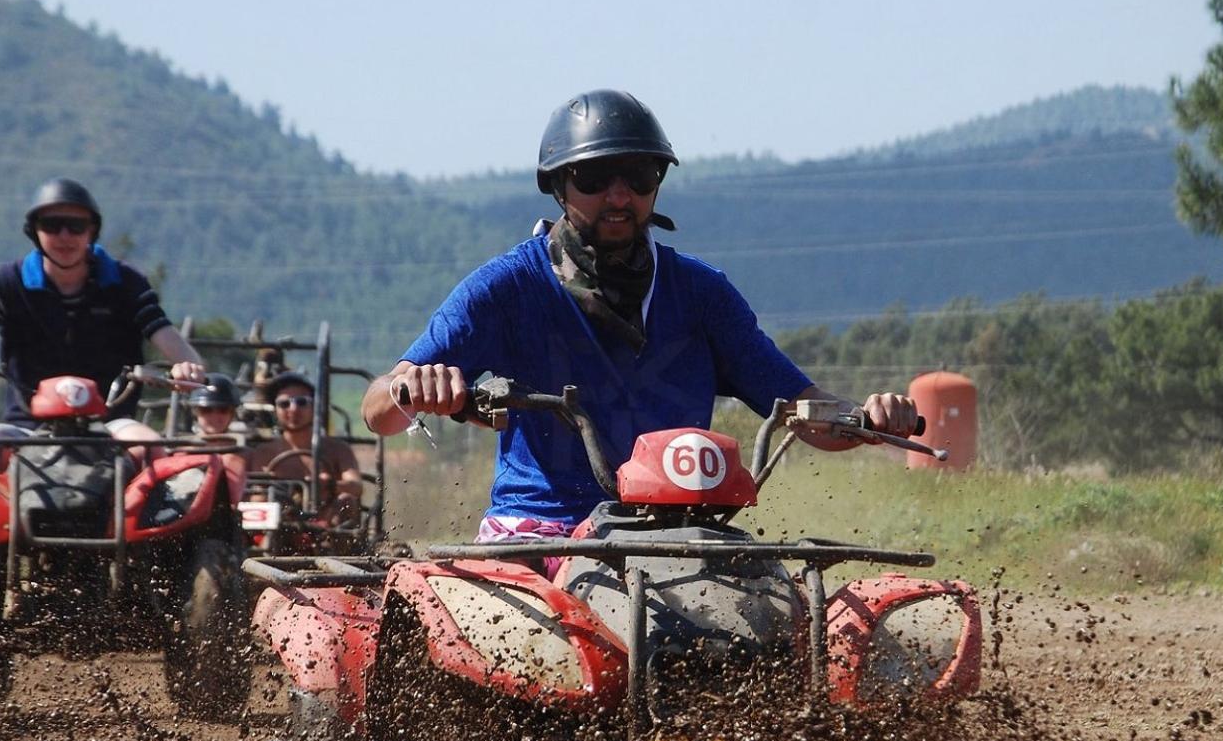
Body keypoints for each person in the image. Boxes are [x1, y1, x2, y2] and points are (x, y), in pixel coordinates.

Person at [363, 90, 918, 542]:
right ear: (558, 186)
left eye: (639, 176)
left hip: (684, 531)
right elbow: (376, 411)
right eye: (594, 178)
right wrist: (413, 386)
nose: (619, 196)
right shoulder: (506, 289)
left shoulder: (702, 294)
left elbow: (801, 407)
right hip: (540, 535)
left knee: (789, 628)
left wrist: (866, 419)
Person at [0, 179, 204, 466]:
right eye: (52, 224)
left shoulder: (128, 284)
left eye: (76, 226)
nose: (64, 235)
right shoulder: (7, 282)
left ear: (92, 230)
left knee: (147, 450)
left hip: (109, 423)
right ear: (34, 230)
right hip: (27, 424)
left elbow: (184, 355)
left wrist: (187, 369)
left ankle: (132, 513)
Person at [248, 371, 363, 526]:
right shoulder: (263, 453)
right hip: (278, 530)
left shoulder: (338, 449)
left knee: (347, 501)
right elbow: (255, 498)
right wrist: (279, 492)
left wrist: (330, 485)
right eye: (284, 403)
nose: (293, 409)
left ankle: (330, 546)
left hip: (327, 528)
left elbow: (356, 486)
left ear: (314, 407)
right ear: (275, 410)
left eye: (301, 402)